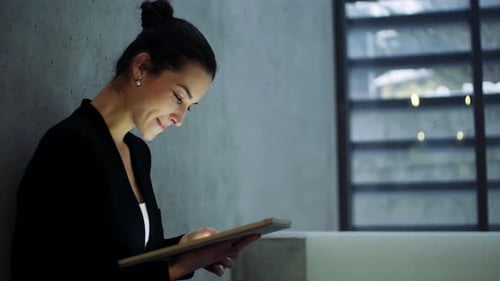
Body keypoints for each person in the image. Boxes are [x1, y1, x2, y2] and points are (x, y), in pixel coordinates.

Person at [10, 0, 260, 280]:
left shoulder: (138, 154)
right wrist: (176, 268)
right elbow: (59, 269)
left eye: (189, 106)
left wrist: (183, 246)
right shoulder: (69, 146)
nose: (179, 118)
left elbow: (125, 258)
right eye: (179, 97)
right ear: (140, 67)